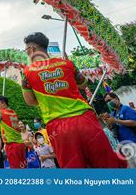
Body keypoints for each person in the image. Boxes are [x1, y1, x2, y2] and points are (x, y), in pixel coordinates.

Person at [21, 32, 126, 168]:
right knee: (105, 162)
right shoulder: (67, 63)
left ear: (32, 49)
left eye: (26, 50)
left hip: (59, 125)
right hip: (85, 119)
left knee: (74, 168)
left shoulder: (28, 72)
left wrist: (47, 96)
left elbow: (30, 101)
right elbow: (83, 84)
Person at [0, 96, 26, 169]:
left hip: (11, 145)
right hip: (20, 144)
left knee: (15, 168)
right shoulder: (13, 112)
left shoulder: (0, 112)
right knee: (23, 166)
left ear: (3, 103)